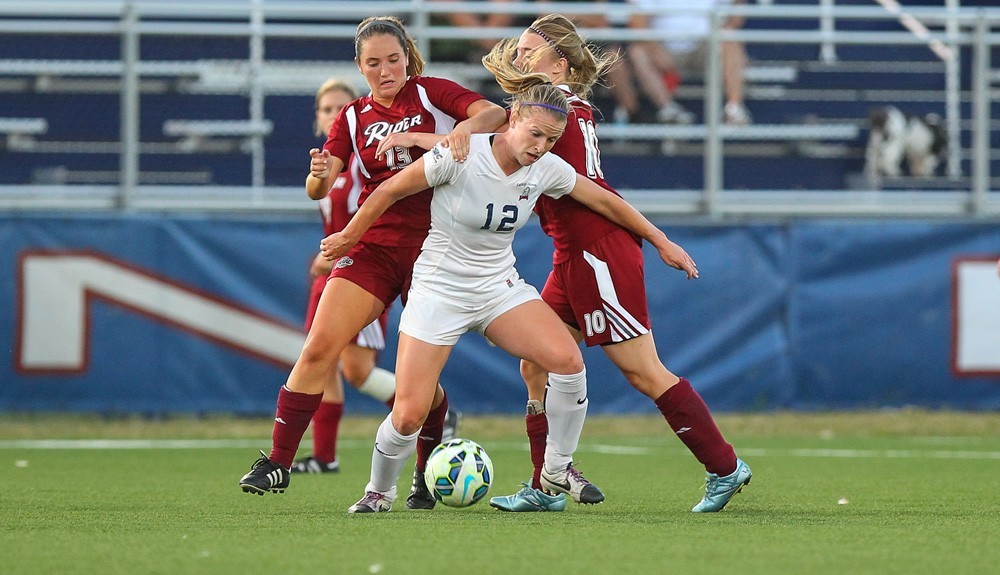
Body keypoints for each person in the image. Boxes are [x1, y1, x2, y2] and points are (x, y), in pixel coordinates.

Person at [318, 82, 698, 513]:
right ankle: (379, 491)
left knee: (568, 361)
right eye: (535, 134)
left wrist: (661, 240)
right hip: (439, 289)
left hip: (497, 287)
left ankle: (557, 466)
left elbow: (606, 202)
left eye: (552, 139)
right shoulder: (461, 153)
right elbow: (388, 191)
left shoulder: (547, 168)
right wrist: (349, 236)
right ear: (513, 116)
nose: (541, 146)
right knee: (408, 414)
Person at [482, 14, 752, 513]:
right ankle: (545, 486)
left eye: (529, 50)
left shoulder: (554, 119)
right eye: (518, 49)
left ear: (559, 66)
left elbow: (601, 199)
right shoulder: (557, 112)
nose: (519, 57)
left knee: (645, 372)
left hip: (599, 252)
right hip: (572, 253)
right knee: (535, 364)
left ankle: (724, 467)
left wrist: (659, 239)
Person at [238, 16, 506, 509]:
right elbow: (320, 186)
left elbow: (495, 115)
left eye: (393, 59)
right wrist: (316, 176)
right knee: (320, 347)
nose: (385, 70)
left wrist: (451, 135)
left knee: (417, 385)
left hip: (438, 248)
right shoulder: (353, 117)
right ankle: (277, 462)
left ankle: (425, 473)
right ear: (360, 67)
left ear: (407, 56)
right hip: (375, 248)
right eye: (373, 63)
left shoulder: (431, 93)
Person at [290, 78, 459, 475]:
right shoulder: (333, 166)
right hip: (335, 267)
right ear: (319, 119)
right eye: (326, 109)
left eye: (340, 107)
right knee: (322, 361)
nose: (334, 115)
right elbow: (315, 189)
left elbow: (372, 220)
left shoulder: (369, 168)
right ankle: (324, 454)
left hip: (364, 266)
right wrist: (316, 176)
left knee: (356, 370)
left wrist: (336, 255)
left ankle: (431, 414)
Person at [623, 0, 751, 125]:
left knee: (730, 39)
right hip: (664, 48)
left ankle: (734, 109)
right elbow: (637, 23)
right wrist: (654, 49)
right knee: (637, 52)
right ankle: (668, 109)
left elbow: (737, 7)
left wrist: (728, 26)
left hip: (707, 46)